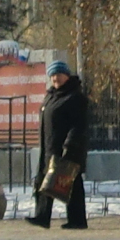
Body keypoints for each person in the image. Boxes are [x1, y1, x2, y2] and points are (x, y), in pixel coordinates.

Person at [30, 60, 90, 229]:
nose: (56, 78)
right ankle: (42, 216)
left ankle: (77, 220)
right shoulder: (51, 96)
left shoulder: (75, 97)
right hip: (48, 148)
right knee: (43, 181)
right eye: (53, 75)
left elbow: (78, 125)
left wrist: (69, 145)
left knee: (71, 184)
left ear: (67, 75)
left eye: (59, 74)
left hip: (67, 149)